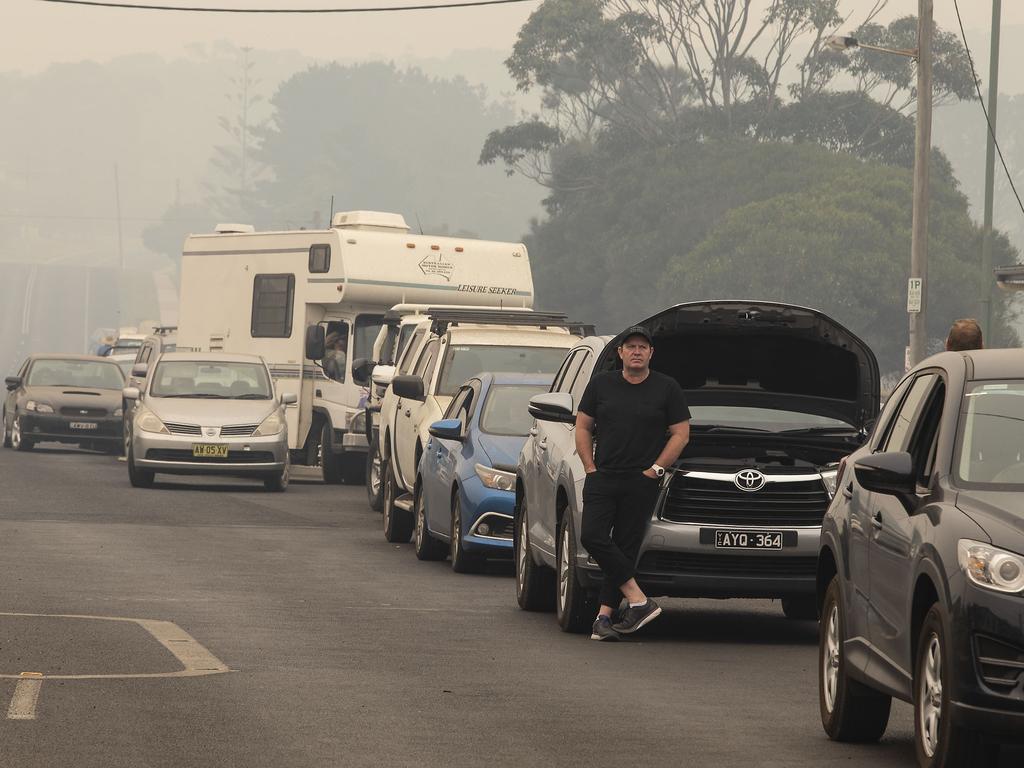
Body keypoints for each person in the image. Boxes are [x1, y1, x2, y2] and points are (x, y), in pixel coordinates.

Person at [576, 325, 691, 641]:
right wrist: (590, 466)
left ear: (651, 353)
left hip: (642, 479)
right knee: (593, 536)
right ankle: (639, 600)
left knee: (624, 549)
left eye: (643, 347)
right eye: (631, 346)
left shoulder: (666, 388)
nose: (637, 351)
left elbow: (681, 433)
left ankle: (603, 618)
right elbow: (583, 426)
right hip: (602, 476)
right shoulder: (601, 385)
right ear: (621, 353)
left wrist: (655, 468)